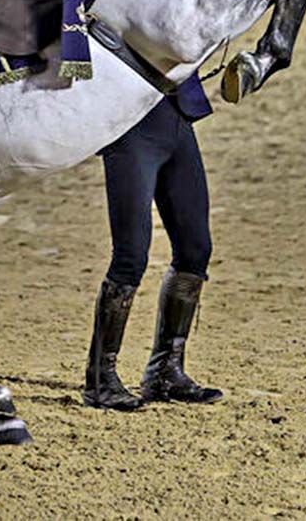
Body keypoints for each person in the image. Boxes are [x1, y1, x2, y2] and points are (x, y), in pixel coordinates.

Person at [83, 79, 224, 411]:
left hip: (176, 116)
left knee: (195, 248)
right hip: (131, 126)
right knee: (131, 256)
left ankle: (165, 370)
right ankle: (100, 380)